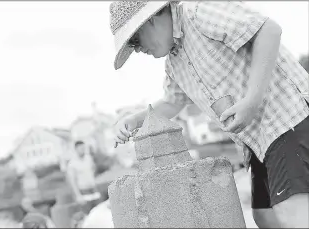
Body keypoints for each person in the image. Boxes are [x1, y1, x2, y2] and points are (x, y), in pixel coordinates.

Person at [109, 1, 309, 228]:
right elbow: (172, 103)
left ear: (150, 19)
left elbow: (268, 30)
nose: (137, 49)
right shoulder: (174, 64)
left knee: (292, 211)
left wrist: (252, 101)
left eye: (134, 40)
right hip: (257, 142)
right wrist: (132, 120)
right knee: (265, 217)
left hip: (284, 118)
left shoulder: (197, 13)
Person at [66, 140, 100, 214]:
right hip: (83, 191)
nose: (83, 150)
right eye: (81, 149)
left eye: (84, 148)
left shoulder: (89, 159)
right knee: (88, 214)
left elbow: (93, 170)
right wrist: (78, 195)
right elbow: (72, 181)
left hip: (93, 189)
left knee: (98, 212)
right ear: (76, 149)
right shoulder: (72, 164)